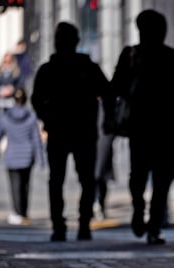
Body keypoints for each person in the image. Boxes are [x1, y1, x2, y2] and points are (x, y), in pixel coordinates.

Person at [107, 9, 174, 245]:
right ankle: (153, 225)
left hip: (140, 127)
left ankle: (141, 210)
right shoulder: (172, 58)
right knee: (161, 180)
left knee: (139, 175)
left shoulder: (130, 56)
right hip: (165, 128)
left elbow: (113, 89)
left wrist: (111, 116)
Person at [31, 22, 113, 242]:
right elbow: (108, 93)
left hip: (63, 131)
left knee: (58, 180)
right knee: (83, 180)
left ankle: (62, 226)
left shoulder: (50, 69)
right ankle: (81, 225)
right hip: (81, 131)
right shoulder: (86, 68)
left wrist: (47, 117)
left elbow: (36, 100)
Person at [0, 87, 45, 225]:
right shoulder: (31, 117)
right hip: (27, 156)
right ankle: (24, 212)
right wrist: (41, 158)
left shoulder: (6, 117)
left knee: (15, 186)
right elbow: (36, 139)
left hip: (12, 155)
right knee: (26, 185)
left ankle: (18, 212)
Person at [0, 51, 24, 117]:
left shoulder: (17, 72)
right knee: (1, 119)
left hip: (12, 100)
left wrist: (12, 89)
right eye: (5, 62)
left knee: (11, 120)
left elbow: (20, 85)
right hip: (0, 101)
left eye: (9, 62)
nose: (7, 64)